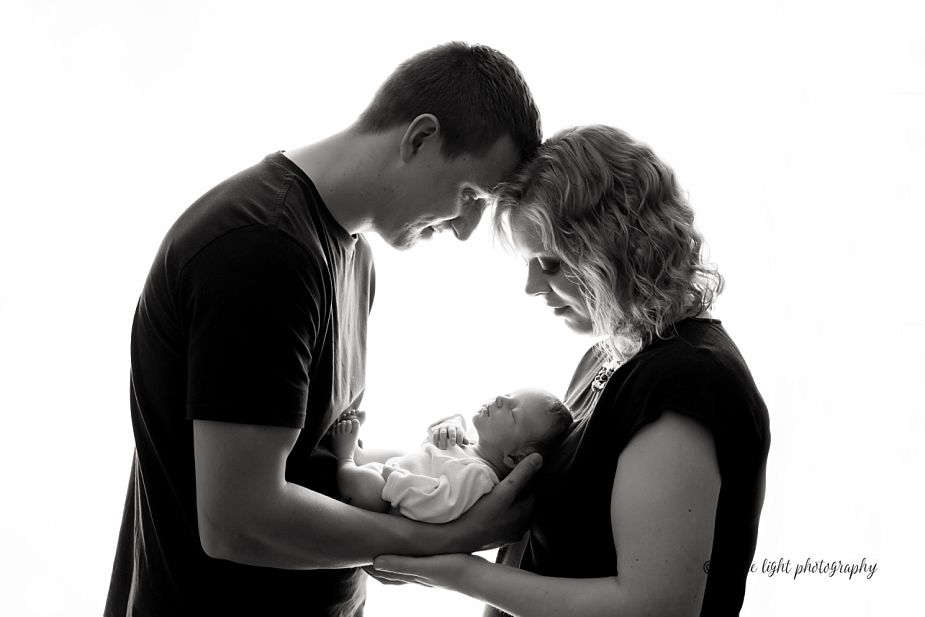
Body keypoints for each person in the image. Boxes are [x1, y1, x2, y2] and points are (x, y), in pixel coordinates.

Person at [104, 42, 543, 617]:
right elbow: (238, 522)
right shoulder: (262, 248)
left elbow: (309, 456)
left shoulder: (350, 252)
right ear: (419, 138)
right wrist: (448, 542)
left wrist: (457, 474)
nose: (464, 231)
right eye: (470, 198)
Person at [371, 125, 772, 617]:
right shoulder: (609, 357)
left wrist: (457, 572)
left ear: (617, 248)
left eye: (552, 264)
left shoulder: (687, 382)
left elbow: (655, 607)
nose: (531, 286)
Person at [331, 388, 572, 522]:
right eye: (508, 395)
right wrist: (451, 425)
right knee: (402, 452)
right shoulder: (472, 445)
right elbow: (431, 437)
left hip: (387, 499)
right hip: (398, 471)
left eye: (513, 412)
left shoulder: (478, 477)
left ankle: (346, 459)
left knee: (367, 486)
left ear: (515, 458)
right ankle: (359, 453)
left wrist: (394, 479)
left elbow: (437, 505)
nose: (500, 399)